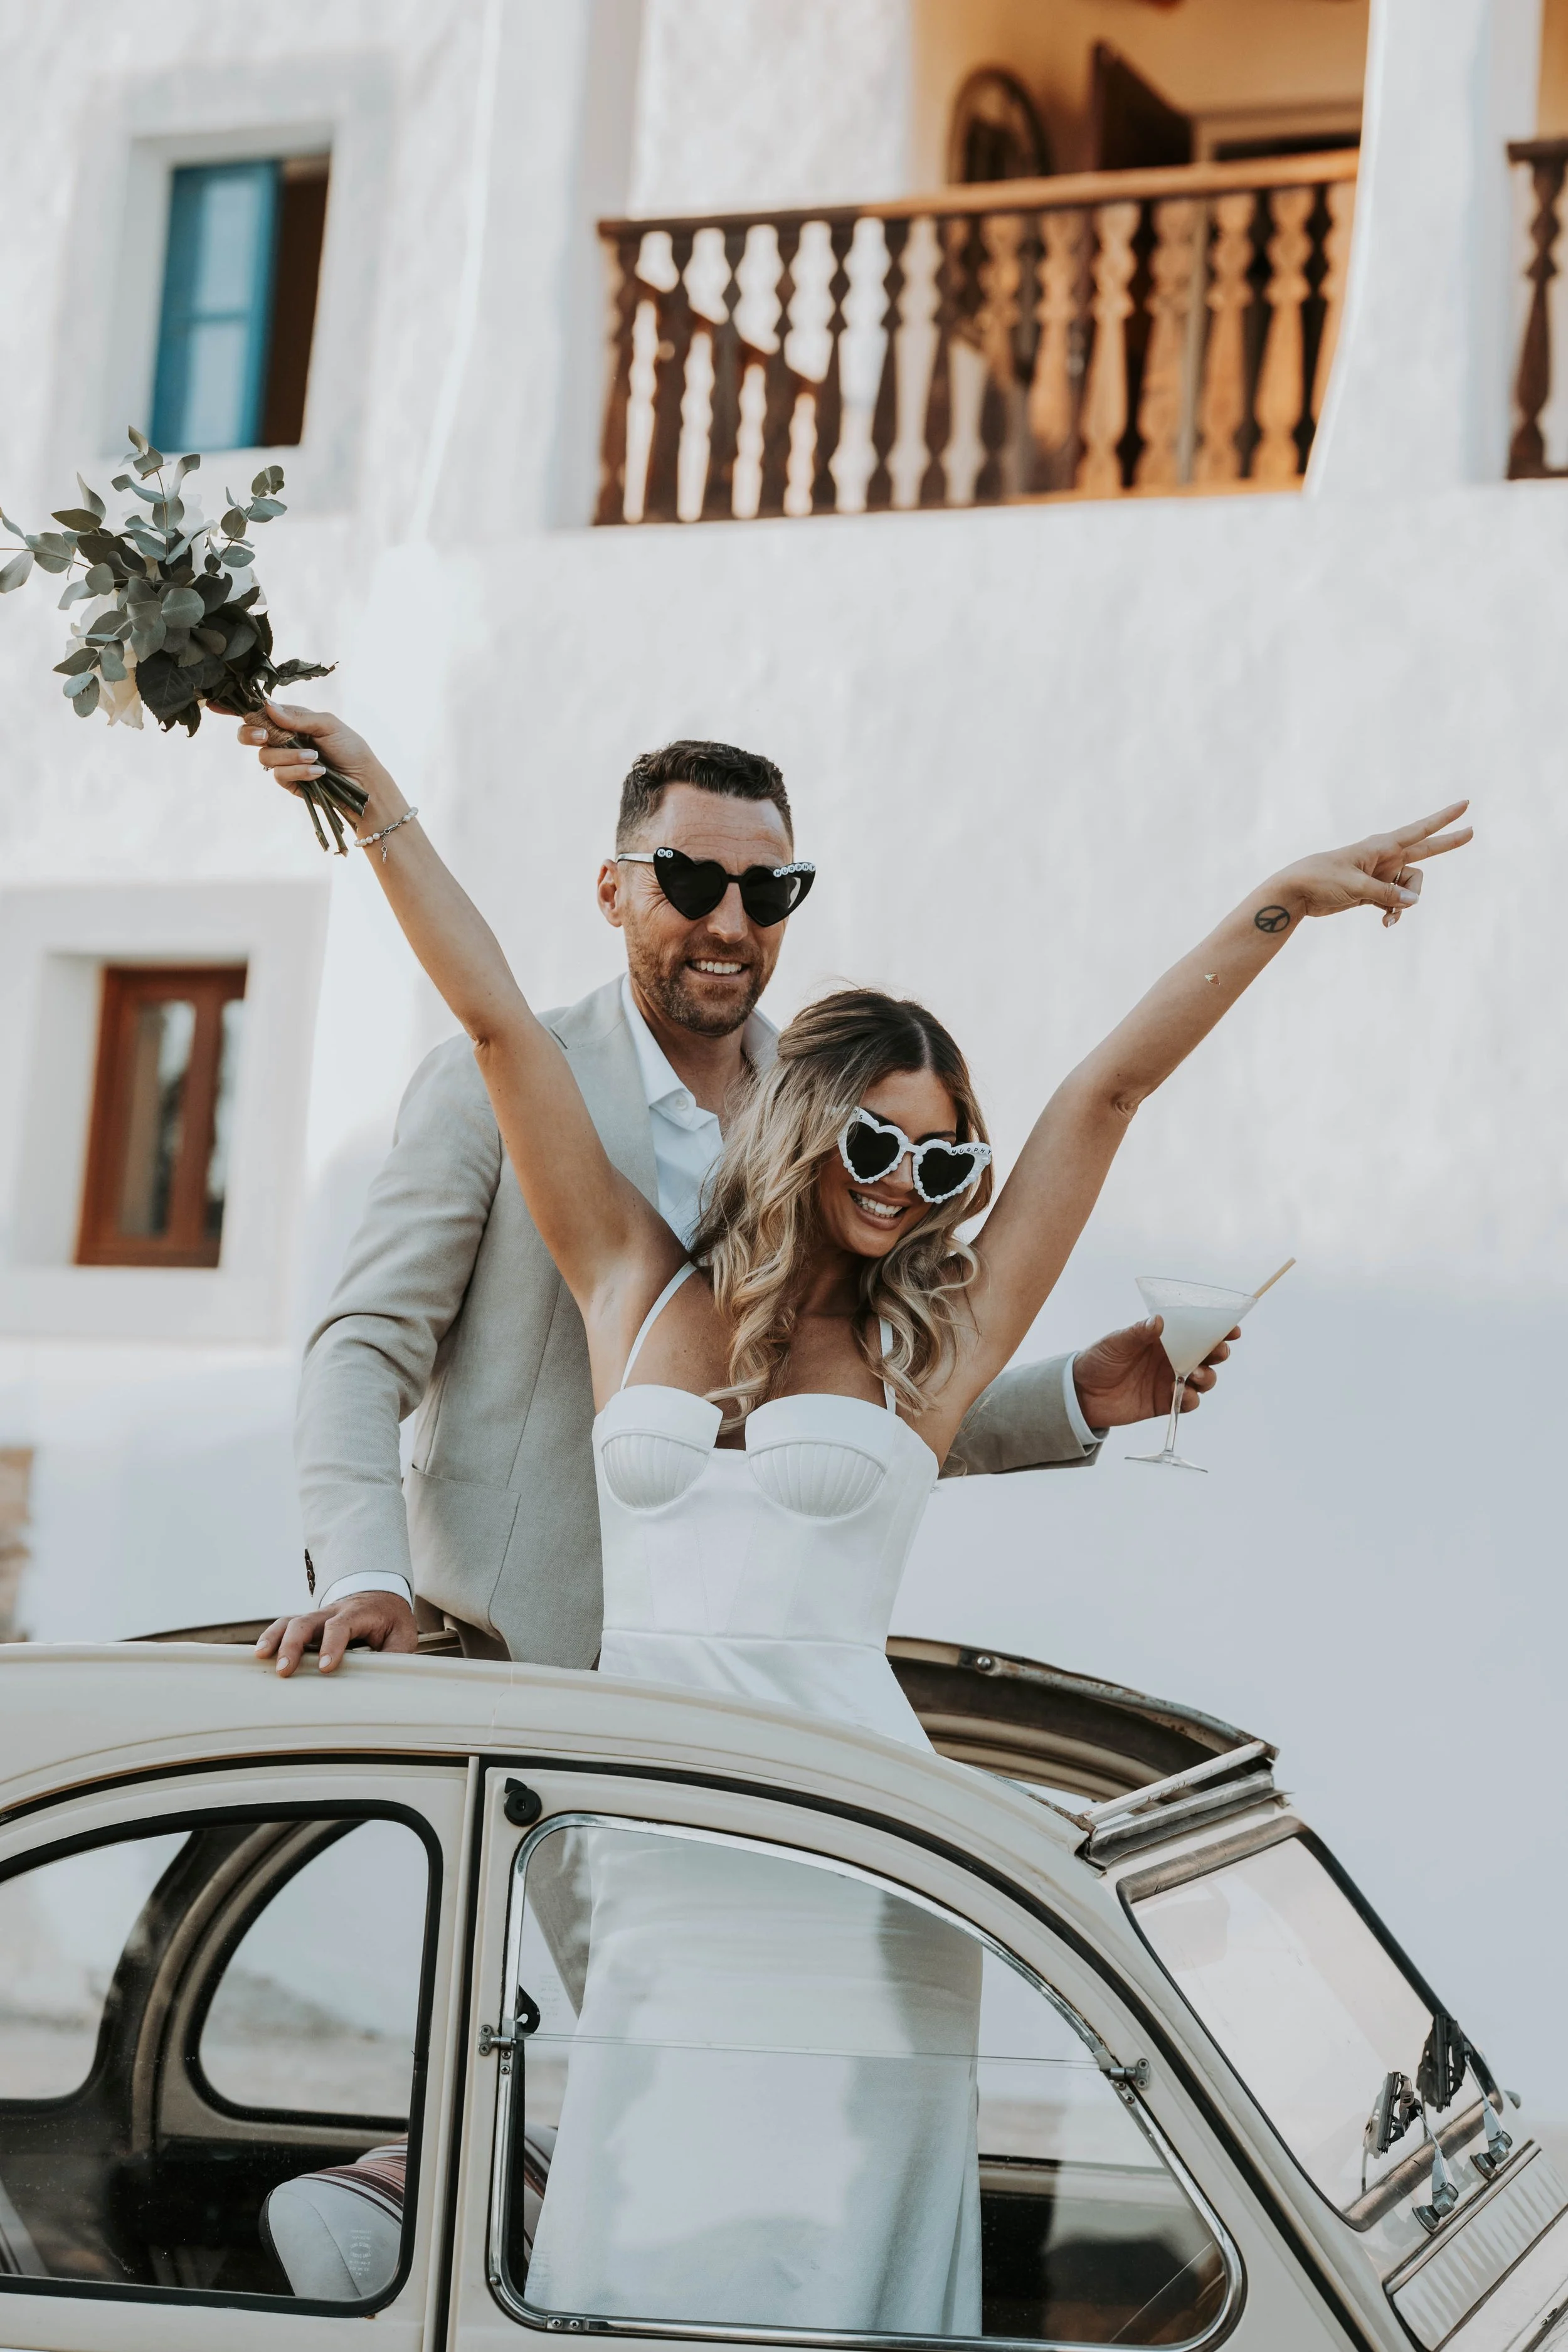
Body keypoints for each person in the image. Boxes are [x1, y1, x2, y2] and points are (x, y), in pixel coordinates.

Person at [242, 699, 1468, 2333]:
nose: (906, 1176)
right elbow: (491, 1030)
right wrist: (374, 798)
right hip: (648, 1847)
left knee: (832, 2279)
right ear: (814, 1125)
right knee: (635, 2260)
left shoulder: (922, 1341)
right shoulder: (632, 1281)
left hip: (851, 1848)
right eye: (877, 1138)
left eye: (943, 1158)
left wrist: (1270, 907)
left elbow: (1100, 1098)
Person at [261, 738, 1232, 1674]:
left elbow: (845, 1405)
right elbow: (364, 1345)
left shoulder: (846, 1138)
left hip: (755, 1716)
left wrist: (1073, 1399)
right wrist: (366, 1575)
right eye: (689, 880)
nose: (729, 922)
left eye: (766, 892)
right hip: (505, 1660)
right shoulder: (502, 1091)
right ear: (614, 890)